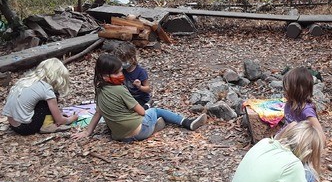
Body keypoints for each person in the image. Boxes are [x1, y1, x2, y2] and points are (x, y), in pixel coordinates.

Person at [73, 54, 207, 142]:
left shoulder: (99, 89)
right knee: (155, 110)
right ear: (105, 76)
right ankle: (187, 122)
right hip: (139, 131)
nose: (121, 74)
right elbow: (141, 112)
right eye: (117, 73)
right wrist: (146, 107)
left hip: (119, 137)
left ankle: (155, 126)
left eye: (121, 71)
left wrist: (87, 132)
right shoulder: (120, 89)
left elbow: (98, 112)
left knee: (142, 114)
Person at [2, 58, 78, 135]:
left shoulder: (25, 81)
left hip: (12, 124)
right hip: (26, 128)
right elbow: (60, 121)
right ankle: (47, 125)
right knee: (52, 97)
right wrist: (71, 119)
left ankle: (51, 117)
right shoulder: (46, 89)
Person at [280, 66, 325, 141]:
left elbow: (321, 137)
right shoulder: (289, 104)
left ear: (296, 91)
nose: (283, 92)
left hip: (300, 145)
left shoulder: (306, 111)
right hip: (288, 140)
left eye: (286, 89)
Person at [113, 42, 152, 109]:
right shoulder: (121, 71)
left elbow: (148, 89)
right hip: (128, 98)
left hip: (141, 99)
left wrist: (140, 87)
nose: (123, 63)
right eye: (121, 61)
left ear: (132, 58)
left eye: (125, 60)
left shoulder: (140, 72)